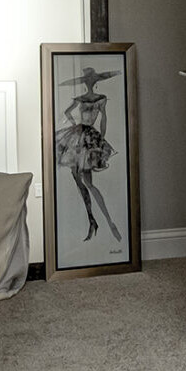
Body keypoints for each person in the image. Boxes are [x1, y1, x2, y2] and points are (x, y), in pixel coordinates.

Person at [54, 64, 123, 244]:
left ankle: (102, 221)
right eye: (88, 80)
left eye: (92, 79)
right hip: (80, 136)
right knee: (81, 180)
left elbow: (104, 119)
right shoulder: (82, 99)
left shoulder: (100, 99)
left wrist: (100, 140)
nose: (90, 82)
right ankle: (94, 220)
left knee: (86, 182)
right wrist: (74, 125)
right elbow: (67, 112)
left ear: (96, 81)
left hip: (87, 138)